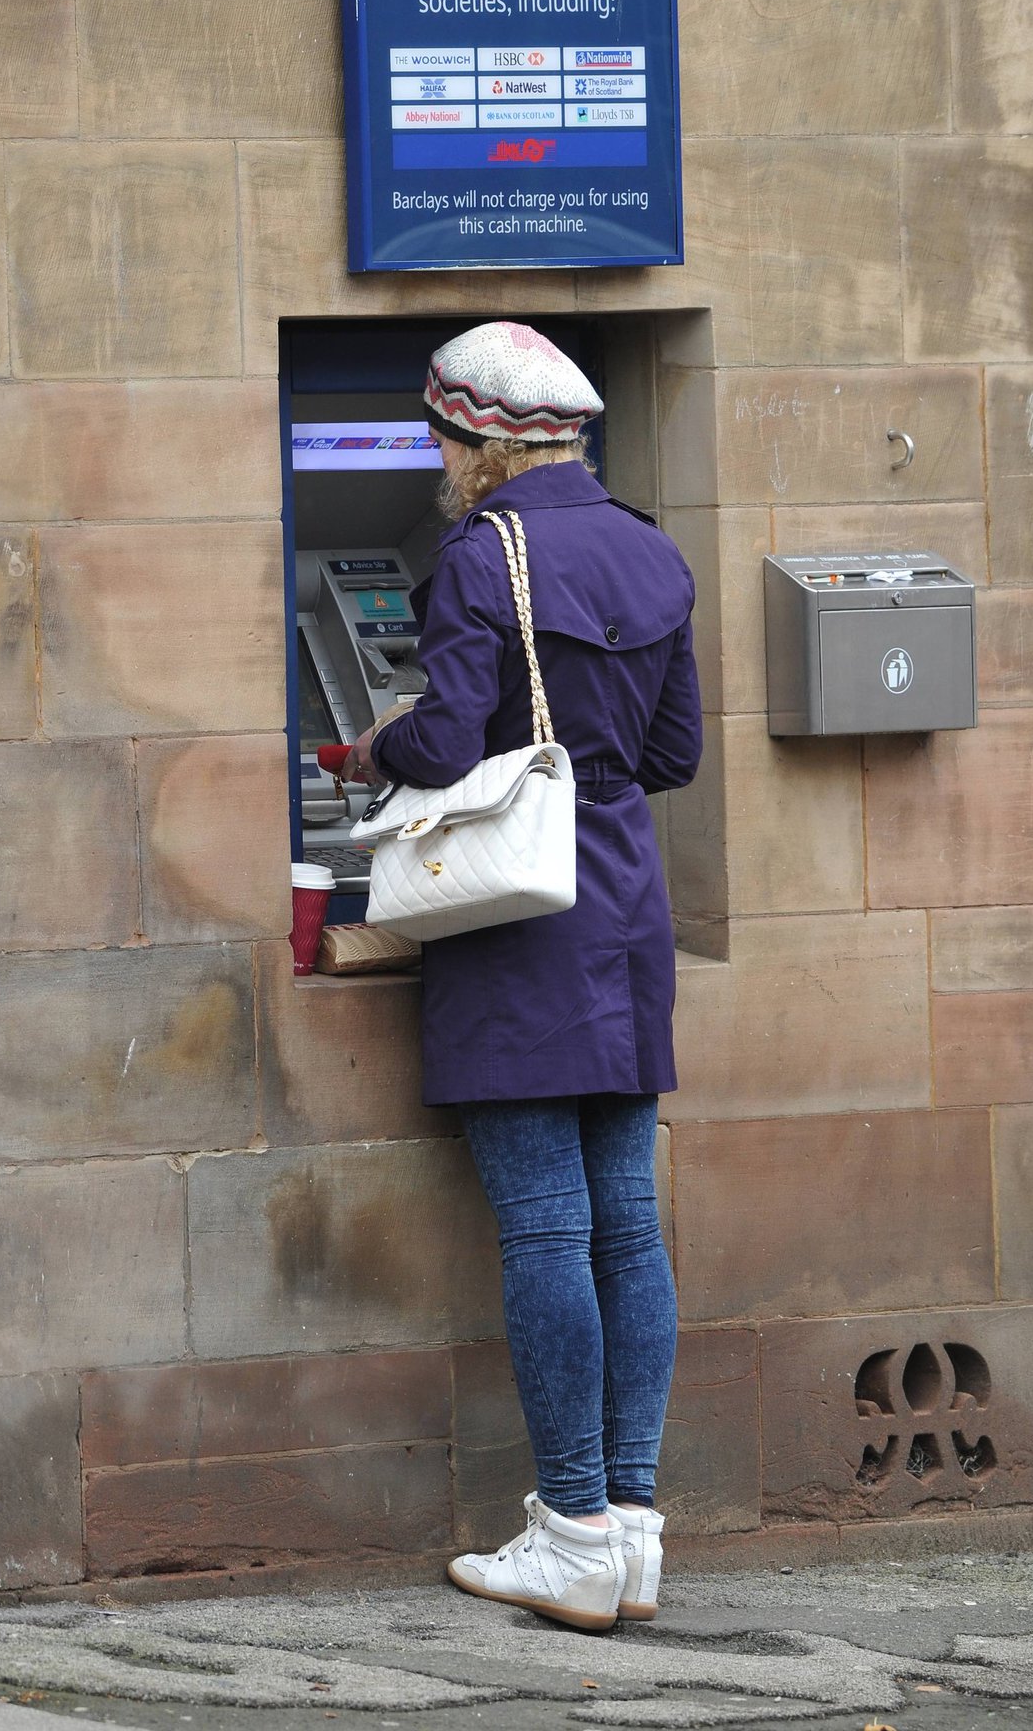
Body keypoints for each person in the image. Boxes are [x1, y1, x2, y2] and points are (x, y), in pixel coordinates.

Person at [342, 321, 702, 1632]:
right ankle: (629, 1532)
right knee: (627, 1225)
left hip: (517, 917)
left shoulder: (480, 554)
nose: (442, 462)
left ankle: (569, 1534)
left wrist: (373, 749)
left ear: (480, 443)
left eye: (445, 439)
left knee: (548, 1228)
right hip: (623, 902)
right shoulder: (652, 549)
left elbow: (445, 738)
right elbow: (673, 755)